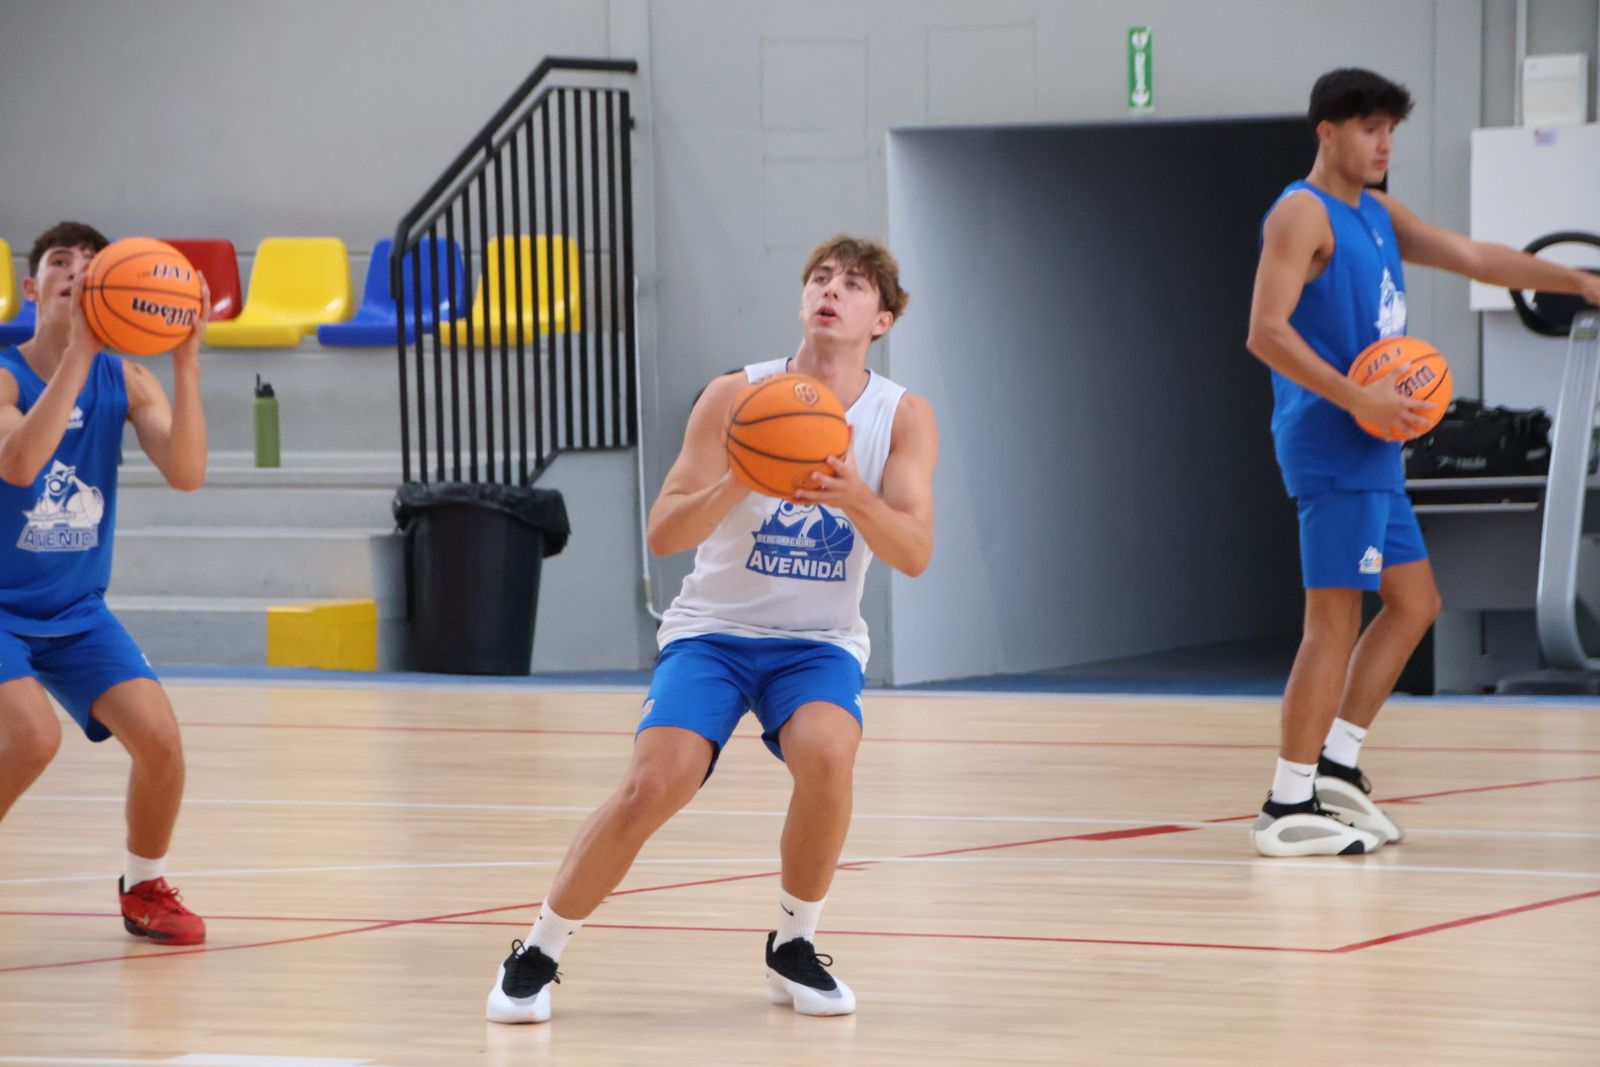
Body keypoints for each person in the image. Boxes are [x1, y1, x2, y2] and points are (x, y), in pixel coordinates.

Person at [485, 235, 937, 1022]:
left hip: (817, 643)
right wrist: (739, 477)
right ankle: (540, 947)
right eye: (821, 278)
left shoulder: (900, 415)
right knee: (651, 785)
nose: (832, 291)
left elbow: (916, 550)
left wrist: (855, 496)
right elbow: (663, 533)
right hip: (715, 633)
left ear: (883, 318)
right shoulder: (737, 395)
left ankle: (792, 944)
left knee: (830, 756)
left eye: (855, 285)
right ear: (803, 298)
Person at [1245, 69, 1600, 856]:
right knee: (1332, 622)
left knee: (1415, 601)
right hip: (1335, 441)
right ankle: (1286, 801)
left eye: (1391, 130)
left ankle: (1337, 761)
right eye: (1370, 127)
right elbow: (1265, 331)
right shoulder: (1302, 216)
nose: (1384, 144)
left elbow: (1472, 255)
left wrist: (1577, 281)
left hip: (1376, 442)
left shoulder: (1374, 212)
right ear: (1326, 131)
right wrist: (1355, 399)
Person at [0, 221, 212, 940]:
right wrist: (81, 353)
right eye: (61, 262)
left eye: (94, 262)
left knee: (161, 744)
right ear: (32, 289)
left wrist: (186, 364)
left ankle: (144, 886)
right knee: (31, 737)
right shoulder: (4, 374)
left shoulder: (130, 377)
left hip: (75, 609)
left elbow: (186, 474)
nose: (78, 271)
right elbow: (21, 464)